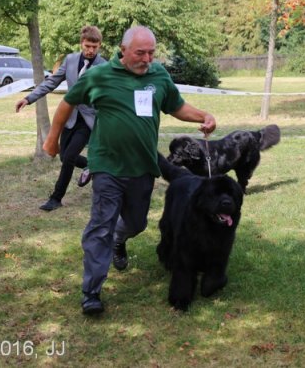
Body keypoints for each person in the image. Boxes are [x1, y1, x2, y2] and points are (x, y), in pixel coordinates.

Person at [43, 25, 216, 315]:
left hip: (142, 168)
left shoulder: (159, 75)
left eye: (151, 52)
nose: (147, 58)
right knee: (101, 225)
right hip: (107, 166)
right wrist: (52, 138)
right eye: (140, 53)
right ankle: (91, 292)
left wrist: (204, 116)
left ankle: (119, 240)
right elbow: (67, 103)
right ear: (123, 51)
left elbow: (176, 106)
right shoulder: (100, 76)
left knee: (136, 223)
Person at [16, 25, 106, 211]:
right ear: (81, 43)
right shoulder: (71, 60)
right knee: (64, 156)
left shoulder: (104, 66)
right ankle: (92, 166)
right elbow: (51, 82)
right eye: (87, 46)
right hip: (68, 116)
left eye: (94, 47)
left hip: (88, 121)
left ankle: (56, 198)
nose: (90, 50)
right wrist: (28, 98)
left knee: (70, 157)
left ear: (100, 46)